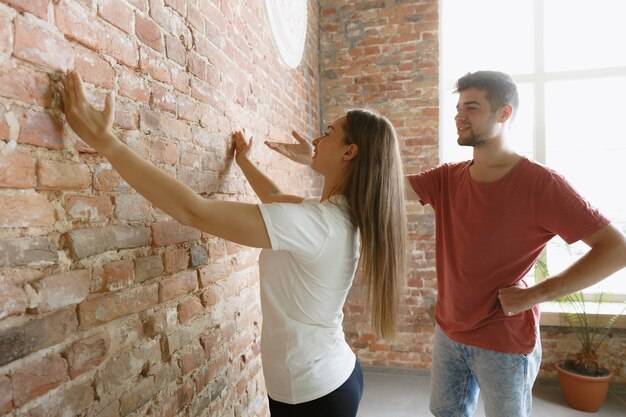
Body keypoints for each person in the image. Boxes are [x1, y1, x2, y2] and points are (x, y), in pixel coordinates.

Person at [266, 70, 626, 417]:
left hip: (503, 341)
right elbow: (378, 186)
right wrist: (320, 161)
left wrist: (534, 295)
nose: (459, 116)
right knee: (446, 412)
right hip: (449, 332)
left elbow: (616, 249)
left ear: (505, 113)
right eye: (458, 108)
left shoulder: (542, 184)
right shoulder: (449, 178)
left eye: (471, 107)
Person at [59, 70, 407, 417]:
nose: (316, 139)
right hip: (332, 376)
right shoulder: (338, 214)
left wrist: (107, 142)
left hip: (313, 393)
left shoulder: (319, 223)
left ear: (350, 152)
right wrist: (244, 161)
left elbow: (192, 211)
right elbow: (273, 197)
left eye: (327, 134)